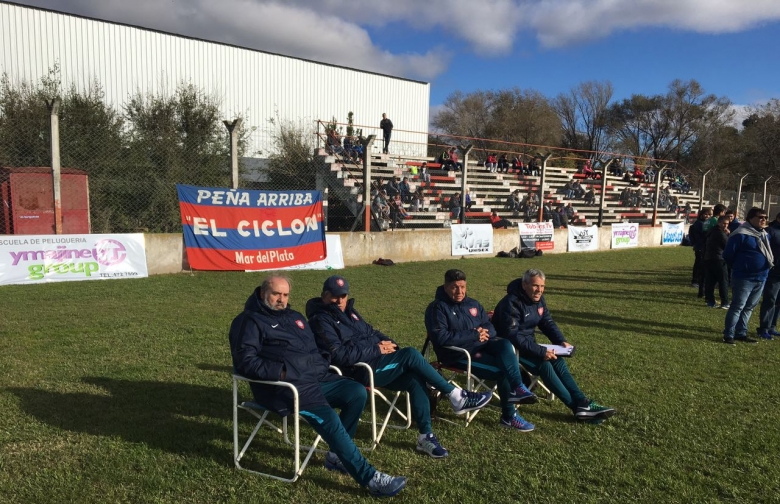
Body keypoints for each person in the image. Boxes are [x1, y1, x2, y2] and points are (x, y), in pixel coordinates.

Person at [228, 275, 407, 497]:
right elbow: (245, 362)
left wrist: (321, 362)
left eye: (285, 294)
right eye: (276, 294)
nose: (281, 299)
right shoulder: (248, 321)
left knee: (356, 392)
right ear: (263, 292)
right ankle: (370, 478)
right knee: (329, 418)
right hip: (284, 387)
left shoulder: (295, 317)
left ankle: (336, 456)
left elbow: (317, 348)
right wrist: (283, 372)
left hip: (316, 378)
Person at [306, 276, 493, 458]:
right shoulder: (320, 320)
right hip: (360, 370)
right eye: (334, 296)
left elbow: (372, 332)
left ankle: (425, 436)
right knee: (410, 354)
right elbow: (339, 355)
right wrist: (377, 349)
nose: (340, 301)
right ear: (324, 295)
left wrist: (392, 345)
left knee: (415, 379)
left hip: (378, 362)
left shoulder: (350, 312)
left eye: (343, 295)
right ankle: (455, 395)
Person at [492, 269, 616, 423]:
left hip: (529, 345)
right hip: (511, 349)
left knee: (558, 360)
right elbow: (512, 335)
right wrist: (540, 351)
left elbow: (547, 322)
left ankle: (582, 402)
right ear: (524, 285)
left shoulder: (539, 299)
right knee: (545, 365)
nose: (539, 290)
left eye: (542, 286)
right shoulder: (511, 303)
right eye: (535, 286)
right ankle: (578, 408)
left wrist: (560, 341)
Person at [424, 269, 538, 433]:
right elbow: (441, 338)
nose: (460, 291)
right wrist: (474, 334)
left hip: (482, 347)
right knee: (502, 371)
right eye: (455, 287)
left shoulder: (473, 304)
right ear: (446, 286)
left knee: (505, 344)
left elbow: (490, 327)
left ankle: (518, 387)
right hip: (458, 355)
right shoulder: (437, 308)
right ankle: (509, 416)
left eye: (463, 287)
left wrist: (484, 333)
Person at [722, 207, 773, 344]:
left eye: (765, 217)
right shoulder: (740, 234)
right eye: (760, 217)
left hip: (761, 276)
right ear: (750, 218)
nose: (764, 220)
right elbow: (728, 255)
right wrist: (741, 267)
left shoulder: (764, 235)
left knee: (749, 307)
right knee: (738, 306)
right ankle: (729, 334)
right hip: (744, 277)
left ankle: (741, 332)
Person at [757, 212, 780, 339]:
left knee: (778, 302)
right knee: (770, 300)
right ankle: (764, 328)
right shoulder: (770, 231)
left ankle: (772, 326)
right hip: (773, 272)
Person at [703, 215, 730, 309]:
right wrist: (728, 235)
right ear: (719, 223)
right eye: (724, 223)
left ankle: (711, 301)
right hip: (719, 259)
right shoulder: (721, 233)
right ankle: (725, 302)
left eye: (727, 224)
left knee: (710, 281)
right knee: (723, 281)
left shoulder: (712, 231)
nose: (725, 226)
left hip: (708, 258)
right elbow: (728, 245)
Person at [688, 209, 712, 294]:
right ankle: (695, 281)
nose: (707, 216)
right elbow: (703, 235)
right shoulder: (699, 224)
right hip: (700, 246)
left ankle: (698, 280)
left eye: (709, 215)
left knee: (701, 264)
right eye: (706, 214)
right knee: (699, 264)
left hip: (702, 246)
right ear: (701, 215)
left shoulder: (704, 223)